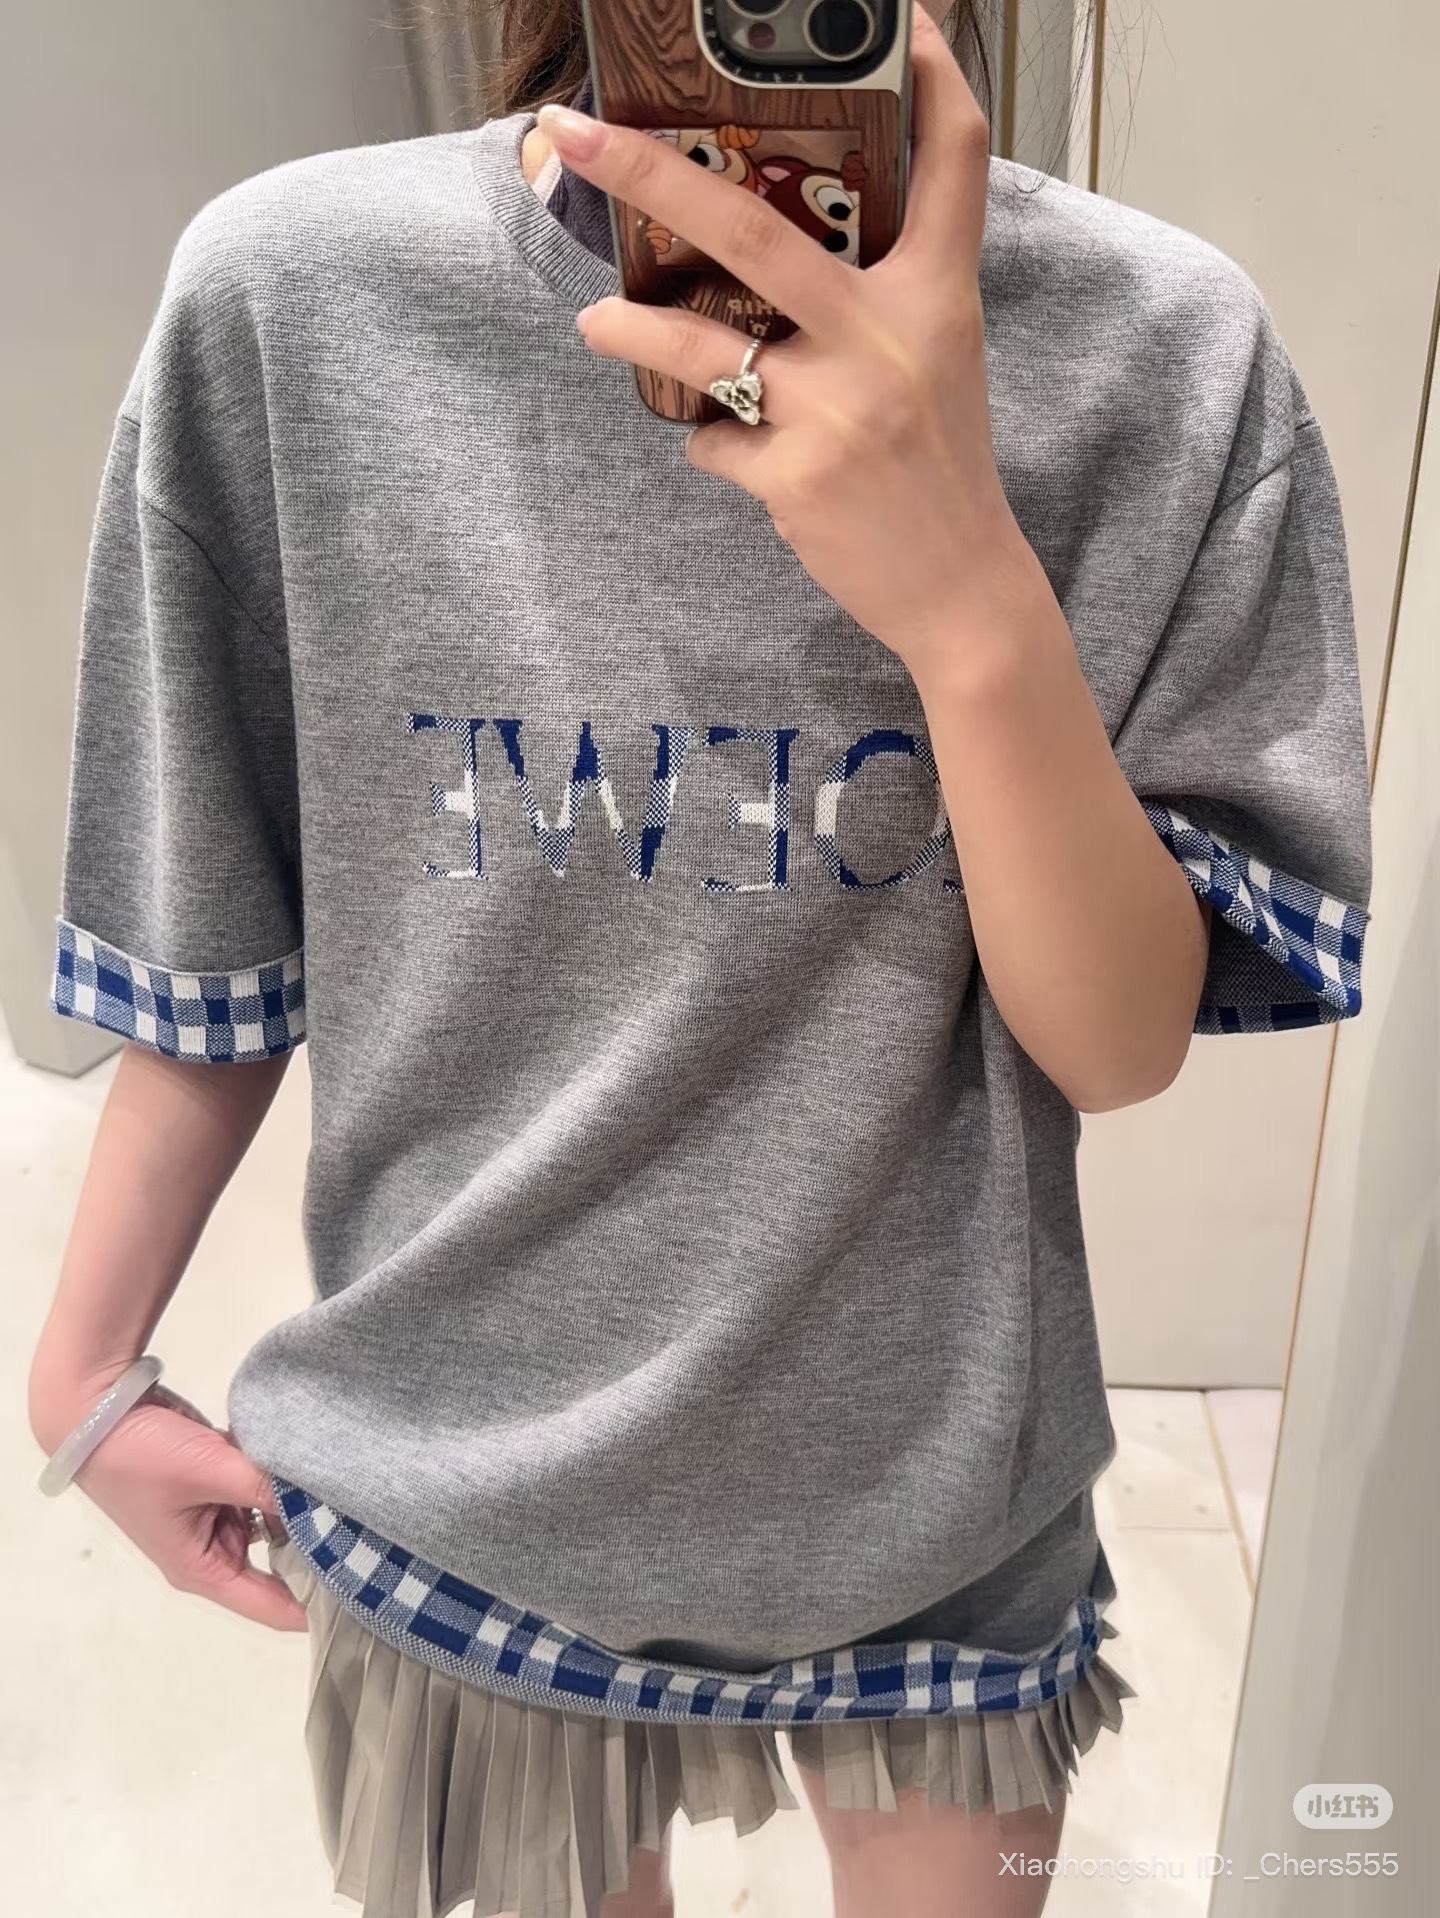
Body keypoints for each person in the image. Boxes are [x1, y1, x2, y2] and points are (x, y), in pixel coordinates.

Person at [27, 1, 1373, 1915]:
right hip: (464, 1497)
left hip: (939, 1512)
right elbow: (224, 907)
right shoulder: (297, 299)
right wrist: (82, 1364)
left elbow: (1117, 1039)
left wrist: (969, 596)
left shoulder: (1157, 348)